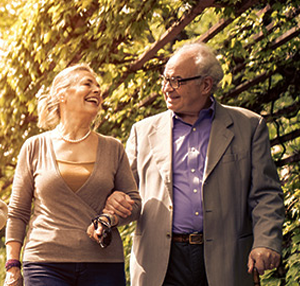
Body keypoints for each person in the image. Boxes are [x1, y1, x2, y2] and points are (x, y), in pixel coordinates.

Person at [104, 42, 285, 286]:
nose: (167, 88)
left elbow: (266, 194)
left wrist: (265, 241)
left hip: (227, 258)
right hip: (160, 263)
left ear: (206, 85)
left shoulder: (249, 126)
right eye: (165, 80)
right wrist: (118, 203)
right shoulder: (142, 132)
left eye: (177, 80)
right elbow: (128, 197)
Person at [4, 63, 141, 286]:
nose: (97, 90)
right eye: (88, 84)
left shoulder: (113, 148)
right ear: (62, 94)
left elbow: (134, 204)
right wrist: (12, 266)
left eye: (98, 86)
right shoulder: (35, 146)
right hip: (44, 264)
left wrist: (110, 217)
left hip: (104, 265)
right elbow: (18, 212)